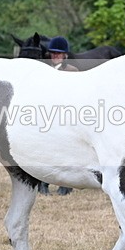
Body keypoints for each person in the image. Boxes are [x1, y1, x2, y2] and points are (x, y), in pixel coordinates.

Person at [44, 36, 76, 196]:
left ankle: (66, 185)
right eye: (53, 53)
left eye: (59, 53)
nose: (55, 56)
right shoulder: (43, 71)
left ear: (65, 55)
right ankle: (43, 183)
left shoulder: (72, 71)